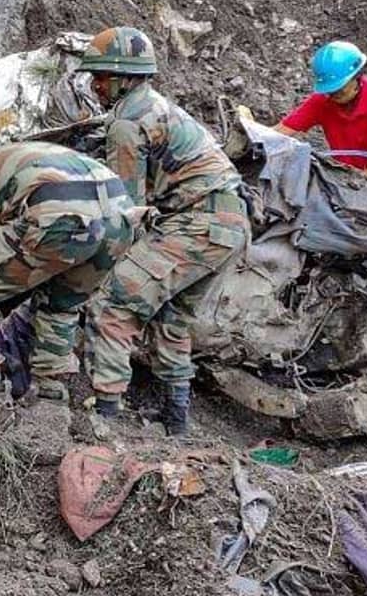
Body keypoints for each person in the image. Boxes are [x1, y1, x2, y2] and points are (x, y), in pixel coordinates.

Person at [79, 26, 249, 436]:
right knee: (172, 319)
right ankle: (176, 423)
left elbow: (127, 210)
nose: (94, 84)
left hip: (196, 223)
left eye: (101, 76)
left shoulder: (126, 122)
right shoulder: (156, 105)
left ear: (123, 77)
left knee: (114, 305)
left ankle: (105, 420)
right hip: (230, 223)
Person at [0, 131, 140, 409]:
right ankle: (50, 397)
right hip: (121, 215)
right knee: (59, 302)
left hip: (61, 215)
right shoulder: (3, 157)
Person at [276, 41, 367, 207]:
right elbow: (282, 131)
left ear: (357, 77)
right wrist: (253, 133)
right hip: (358, 183)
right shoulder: (324, 101)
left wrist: (349, 190)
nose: (334, 94)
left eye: (340, 88)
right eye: (330, 90)